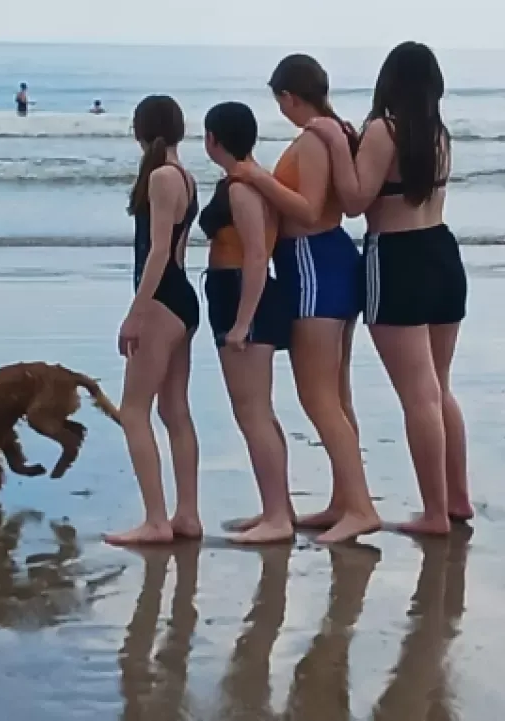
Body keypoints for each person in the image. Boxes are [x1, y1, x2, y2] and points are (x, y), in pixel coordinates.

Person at [306, 41, 472, 536]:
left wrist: (337, 144)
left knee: (418, 395)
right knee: (439, 386)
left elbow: (355, 201)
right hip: (441, 251)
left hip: (396, 258)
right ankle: (456, 498)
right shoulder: (438, 134)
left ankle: (435, 513)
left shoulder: (385, 129)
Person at [231, 54, 380, 544]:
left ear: (288, 96)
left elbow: (311, 210)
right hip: (322, 263)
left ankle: (360, 506)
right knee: (335, 394)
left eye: (279, 101)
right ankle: (345, 500)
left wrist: (257, 177)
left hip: (315, 263)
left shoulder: (315, 137)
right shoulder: (327, 132)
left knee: (318, 395)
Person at [105, 95, 201, 546]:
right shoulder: (184, 176)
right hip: (181, 298)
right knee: (173, 409)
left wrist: (136, 312)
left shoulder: (162, 177)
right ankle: (187, 515)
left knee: (133, 411)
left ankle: (157, 521)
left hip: (163, 299)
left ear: (140, 130)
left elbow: (159, 251)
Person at [199, 101, 293, 544]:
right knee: (256, 411)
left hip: (242, 292)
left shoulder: (242, 187)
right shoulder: (248, 179)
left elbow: (257, 254)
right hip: (232, 290)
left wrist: (242, 322)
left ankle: (277, 516)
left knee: (253, 412)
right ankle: (278, 508)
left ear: (213, 139)